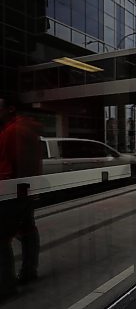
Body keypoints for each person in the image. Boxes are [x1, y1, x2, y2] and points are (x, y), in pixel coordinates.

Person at [0, 95, 41, 302]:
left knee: (1, 238)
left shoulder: (12, 131)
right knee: (27, 229)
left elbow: (8, 168)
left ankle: (5, 286)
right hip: (26, 190)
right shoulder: (27, 130)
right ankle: (29, 270)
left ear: (10, 108)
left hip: (14, 192)